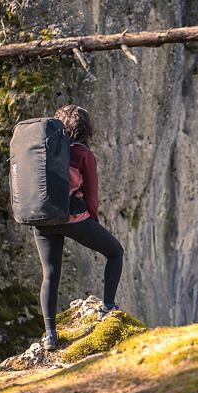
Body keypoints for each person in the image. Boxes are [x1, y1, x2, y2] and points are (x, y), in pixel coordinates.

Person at [32, 105, 124, 351]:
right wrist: (92, 221)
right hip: (73, 218)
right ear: (86, 129)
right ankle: (108, 307)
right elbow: (92, 196)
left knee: (50, 274)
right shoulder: (83, 154)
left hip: (42, 219)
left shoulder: (45, 148)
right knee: (115, 252)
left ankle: (50, 334)